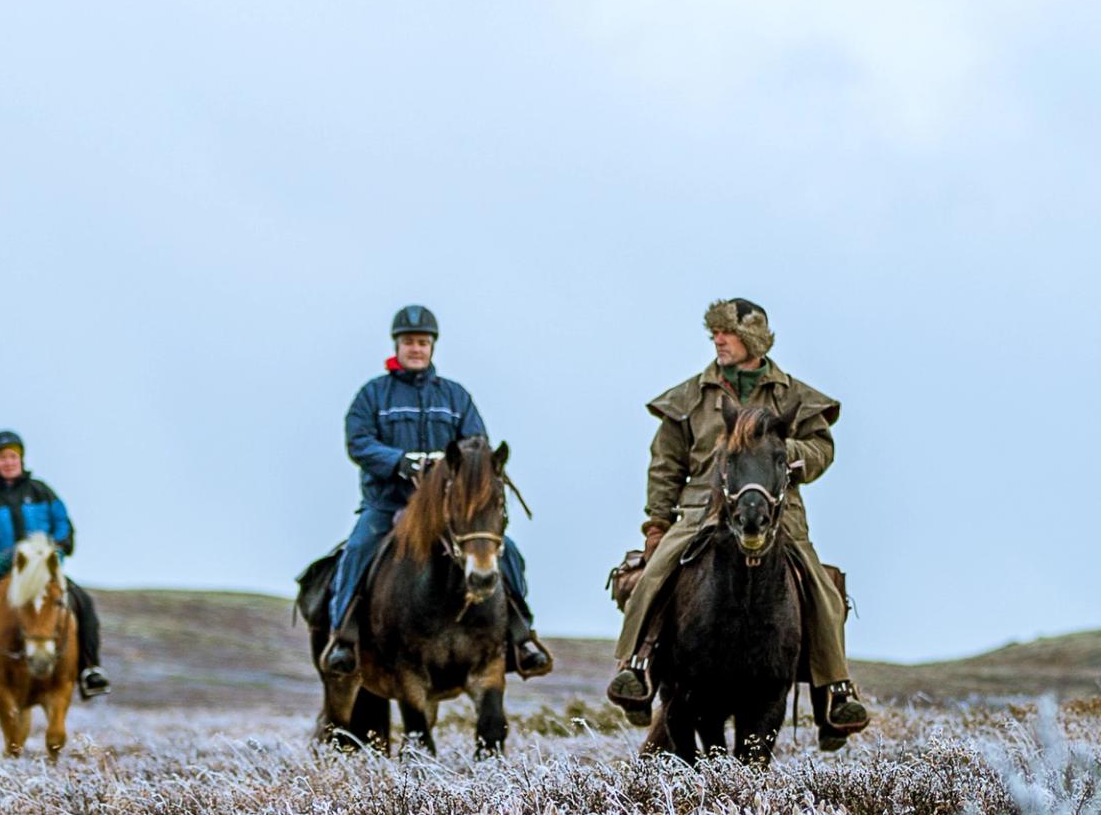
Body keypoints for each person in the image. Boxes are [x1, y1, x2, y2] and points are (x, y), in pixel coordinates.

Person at [604, 298, 870, 733]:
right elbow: (666, 463)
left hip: (777, 511)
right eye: (715, 332)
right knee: (653, 576)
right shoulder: (689, 395)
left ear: (753, 340)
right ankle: (635, 665)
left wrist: (784, 455)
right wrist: (657, 524)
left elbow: (822, 448)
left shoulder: (794, 395)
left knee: (824, 591)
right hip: (698, 512)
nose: (718, 340)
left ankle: (836, 691)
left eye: (727, 333)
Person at [319, 304, 555, 680]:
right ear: (397, 345)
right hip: (388, 503)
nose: (416, 348)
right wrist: (401, 462)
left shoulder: (455, 397)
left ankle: (521, 634)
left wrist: (454, 467)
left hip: (449, 511)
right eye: (410, 342)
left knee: (508, 553)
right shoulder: (373, 396)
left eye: (423, 342)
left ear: (432, 347)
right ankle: (343, 638)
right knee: (358, 549)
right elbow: (359, 442)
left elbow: (478, 445)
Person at [0, 429, 108, 696]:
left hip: (40, 569)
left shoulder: (42, 492)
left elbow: (63, 525)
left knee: (83, 601)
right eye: (3, 457)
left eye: (13, 456)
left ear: (21, 459)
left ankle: (90, 669)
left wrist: (59, 550)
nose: (8, 462)